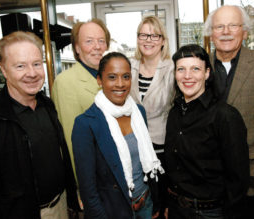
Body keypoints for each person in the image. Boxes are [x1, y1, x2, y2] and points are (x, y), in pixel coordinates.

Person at [0, 31, 79, 219]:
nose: (31, 73)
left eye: (36, 64)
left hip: (61, 206)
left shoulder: (47, 105)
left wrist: (71, 201)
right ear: (4, 70)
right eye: (20, 66)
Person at [204, 5, 254, 219]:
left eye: (233, 25)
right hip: (210, 180)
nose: (226, 31)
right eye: (219, 26)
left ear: (244, 31)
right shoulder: (198, 66)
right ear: (211, 33)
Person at [72, 52, 164, 219]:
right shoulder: (85, 124)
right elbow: (88, 188)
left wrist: (155, 203)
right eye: (112, 77)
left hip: (146, 204)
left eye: (126, 76)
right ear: (99, 80)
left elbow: (146, 163)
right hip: (114, 211)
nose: (120, 84)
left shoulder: (139, 112)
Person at [165, 44, 249, 219]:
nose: (187, 76)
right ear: (175, 74)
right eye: (181, 69)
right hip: (177, 209)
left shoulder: (225, 116)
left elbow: (238, 179)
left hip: (210, 213)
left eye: (195, 69)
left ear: (207, 73)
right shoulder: (174, 113)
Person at [52, 18, 110, 177]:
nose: (97, 46)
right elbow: (72, 142)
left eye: (101, 41)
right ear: (77, 48)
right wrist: (82, 188)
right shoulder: (65, 82)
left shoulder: (109, 76)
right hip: (94, 176)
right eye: (89, 41)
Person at [130, 15, 175, 218]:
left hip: (162, 148)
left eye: (154, 35)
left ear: (163, 40)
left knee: (161, 206)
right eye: (143, 35)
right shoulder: (128, 66)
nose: (148, 40)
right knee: (142, 205)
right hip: (134, 146)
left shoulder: (173, 68)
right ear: (138, 38)